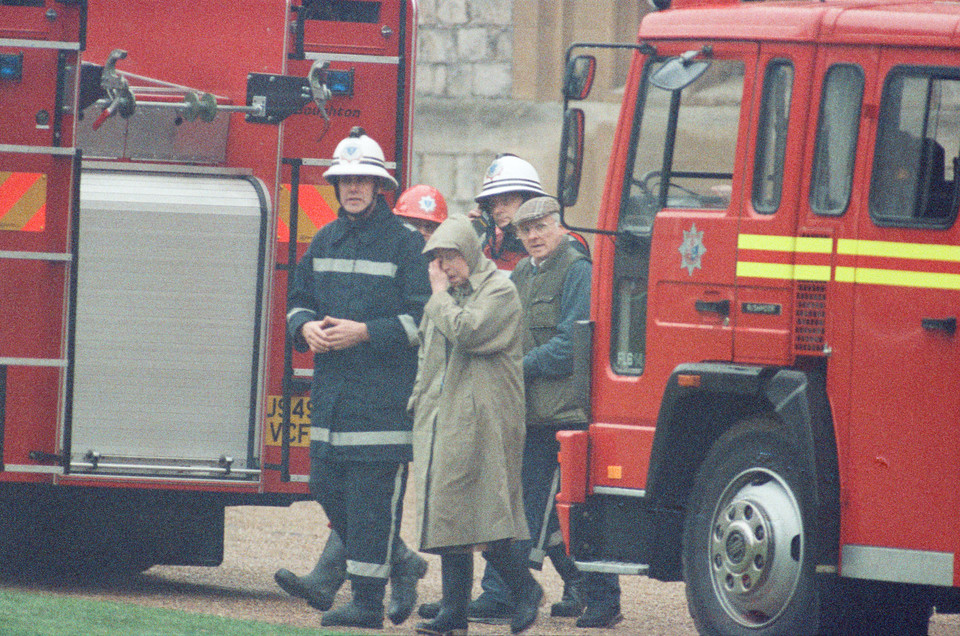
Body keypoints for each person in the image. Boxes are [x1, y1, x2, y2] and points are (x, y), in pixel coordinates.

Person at [281, 126, 431, 629]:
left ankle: (367, 604)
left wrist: (365, 332)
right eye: (345, 179)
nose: (353, 187)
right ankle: (402, 561)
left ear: (380, 185)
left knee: (370, 506)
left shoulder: (406, 245)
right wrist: (304, 327)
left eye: (363, 179)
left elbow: (423, 320)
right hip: (332, 403)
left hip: (383, 404)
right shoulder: (323, 239)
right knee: (325, 488)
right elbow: (296, 300)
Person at [409, 215, 543, 636]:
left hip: (485, 421)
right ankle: (455, 614)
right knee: (451, 515)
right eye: (439, 260)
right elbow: (428, 354)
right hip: (442, 418)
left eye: (450, 257)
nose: (445, 267)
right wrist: (417, 401)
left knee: (486, 514)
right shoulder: (448, 295)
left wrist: (438, 296)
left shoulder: (500, 290)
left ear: (469, 251)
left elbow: (467, 332)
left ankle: (524, 589)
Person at [471, 154, 550, 271]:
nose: (497, 211)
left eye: (506, 201)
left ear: (530, 199)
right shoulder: (491, 247)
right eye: (492, 204)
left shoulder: (560, 244)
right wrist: (469, 238)